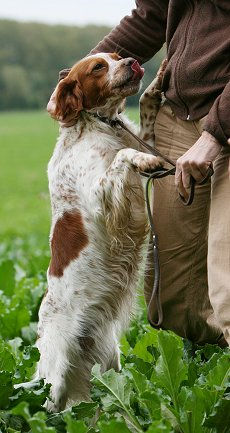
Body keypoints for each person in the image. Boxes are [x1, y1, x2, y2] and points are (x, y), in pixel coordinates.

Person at [56, 0, 230, 346]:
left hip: (225, 120)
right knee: (175, 298)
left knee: (227, 289)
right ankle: (214, 375)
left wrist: (215, 133)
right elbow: (151, 15)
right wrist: (80, 81)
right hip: (181, 113)